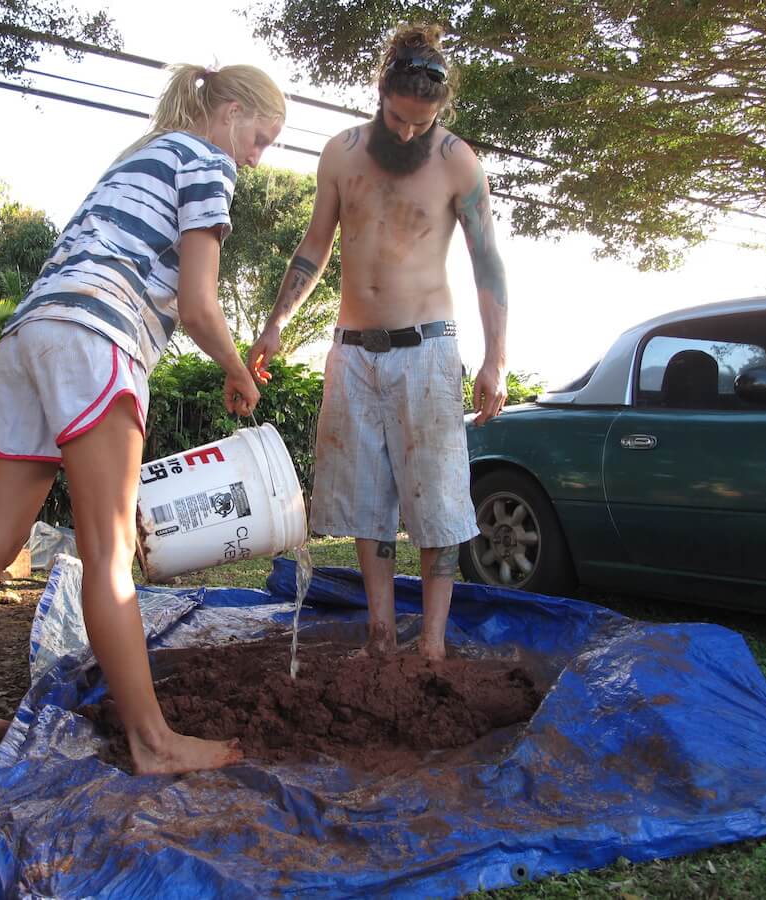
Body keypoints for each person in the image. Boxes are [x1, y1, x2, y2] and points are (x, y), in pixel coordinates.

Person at [0, 64, 286, 774]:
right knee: (109, 551)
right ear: (228, 109)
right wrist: (237, 369)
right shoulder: (206, 161)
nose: (255, 156)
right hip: (97, 336)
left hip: (30, 330)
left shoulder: (139, 157)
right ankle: (154, 742)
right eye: (260, 136)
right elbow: (197, 304)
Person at [249, 24, 508, 661]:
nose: (408, 132)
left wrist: (495, 359)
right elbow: (316, 245)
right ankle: (381, 636)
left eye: (423, 122)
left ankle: (433, 648)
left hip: (428, 350)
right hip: (353, 351)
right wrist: (278, 320)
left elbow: (489, 265)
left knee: (438, 501)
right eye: (398, 117)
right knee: (365, 502)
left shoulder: (458, 162)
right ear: (381, 92)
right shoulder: (341, 153)